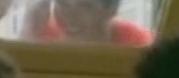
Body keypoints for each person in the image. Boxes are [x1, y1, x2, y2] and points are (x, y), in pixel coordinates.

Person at [22, 0, 152, 46]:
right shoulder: (42, 35)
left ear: (111, 10)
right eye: (63, 3)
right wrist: (29, 34)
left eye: (85, 6)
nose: (71, 16)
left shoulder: (137, 42)